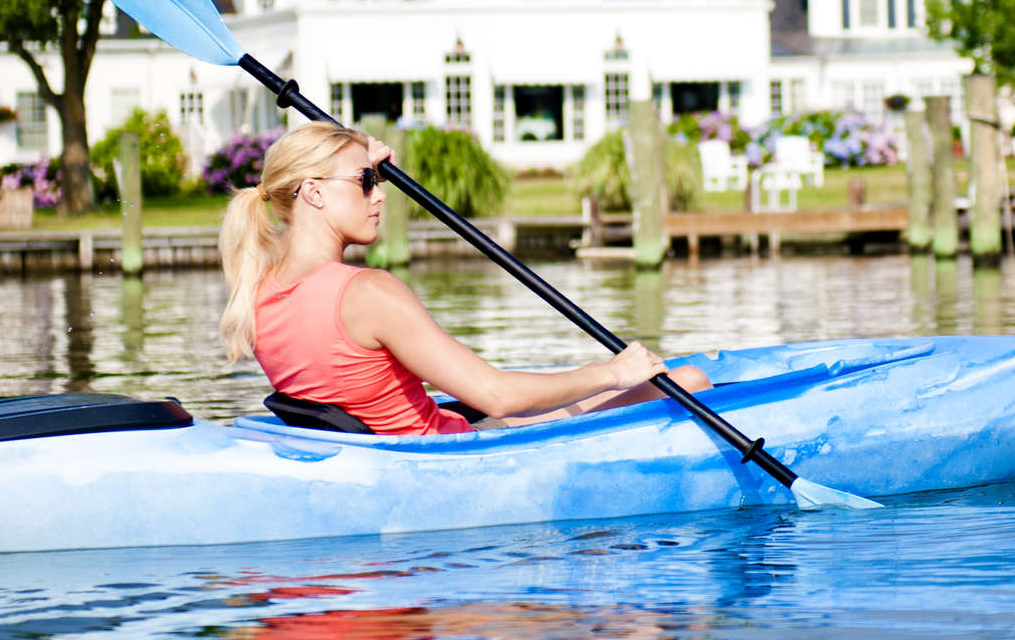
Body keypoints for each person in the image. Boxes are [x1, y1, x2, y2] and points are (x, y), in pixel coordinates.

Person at [220, 121, 710, 433]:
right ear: (314, 193)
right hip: (450, 457)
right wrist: (613, 373)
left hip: (390, 452)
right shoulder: (366, 292)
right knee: (689, 380)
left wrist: (353, 157)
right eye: (366, 181)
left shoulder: (257, 289)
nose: (380, 194)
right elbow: (496, 395)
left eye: (379, 179)